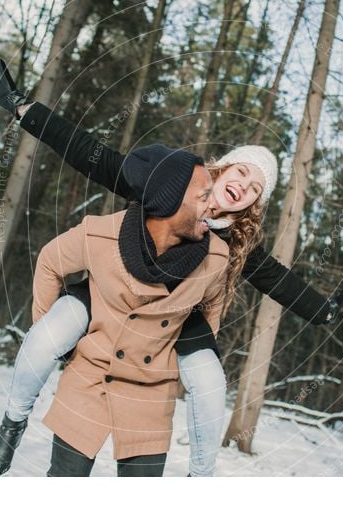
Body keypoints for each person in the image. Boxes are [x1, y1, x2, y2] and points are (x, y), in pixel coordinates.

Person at [0, 60, 343, 477]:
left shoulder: (234, 242)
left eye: (255, 189)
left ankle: (199, 477)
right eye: (242, 171)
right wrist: (23, 109)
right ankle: (13, 421)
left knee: (210, 383)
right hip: (112, 287)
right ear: (224, 166)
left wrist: (324, 311)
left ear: (253, 203)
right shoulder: (170, 183)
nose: (243, 186)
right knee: (46, 336)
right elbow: (90, 155)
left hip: (174, 315)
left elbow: (275, 278)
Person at [37, 143, 228, 476]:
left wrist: (191, 352)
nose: (215, 204)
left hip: (152, 394)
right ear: (169, 204)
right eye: (203, 196)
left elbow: (213, 304)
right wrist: (52, 340)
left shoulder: (216, 257)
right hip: (89, 379)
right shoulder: (102, 233)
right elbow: (50, 262)